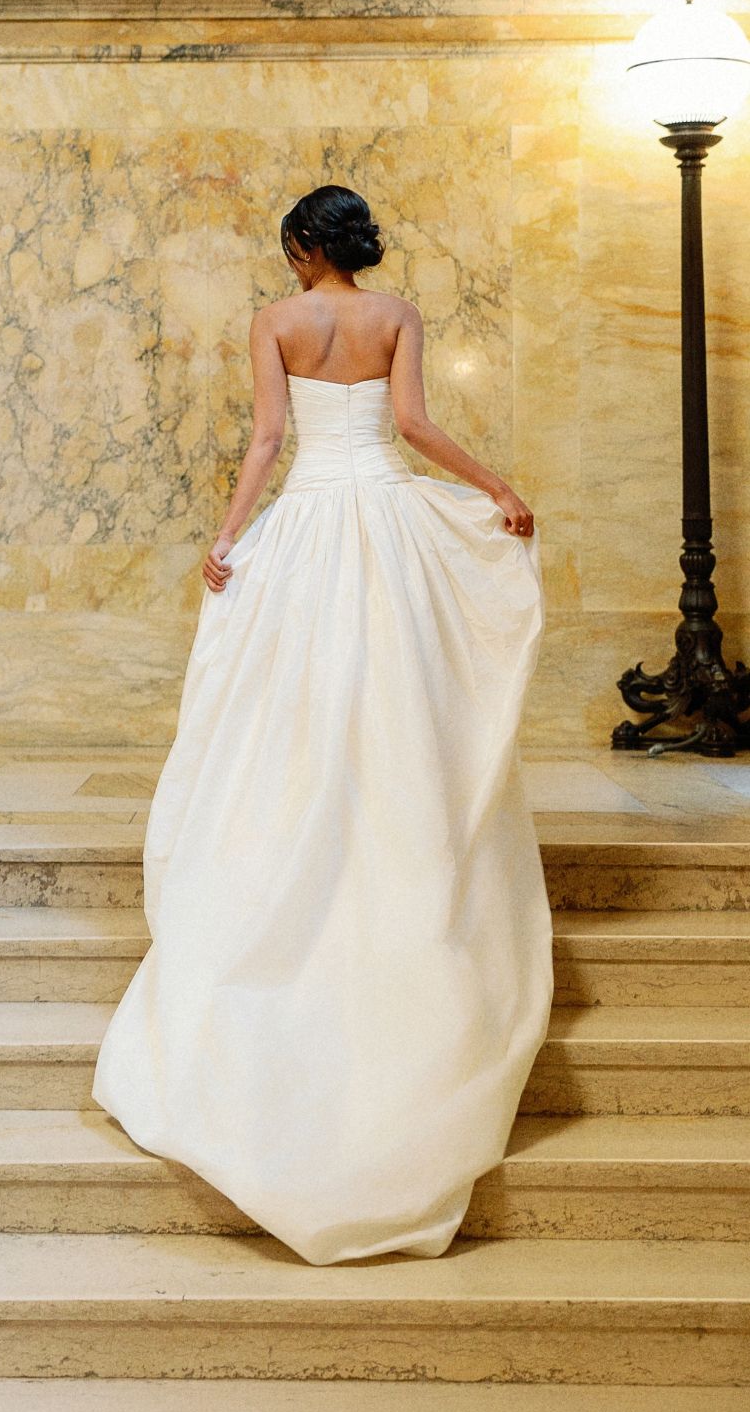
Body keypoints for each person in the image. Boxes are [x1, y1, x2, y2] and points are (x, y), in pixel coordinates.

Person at [93, 184, 552, 1264]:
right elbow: (415, 427)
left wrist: (227, 536)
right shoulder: (395, 316)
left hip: (309, 520)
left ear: (305, 249)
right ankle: (394, 830)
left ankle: (309, 826)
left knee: (296, 704)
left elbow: (265, 439)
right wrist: (499, 487)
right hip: (389, 514)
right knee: (400, 696)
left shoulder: (276, 321)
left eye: (293, 247)